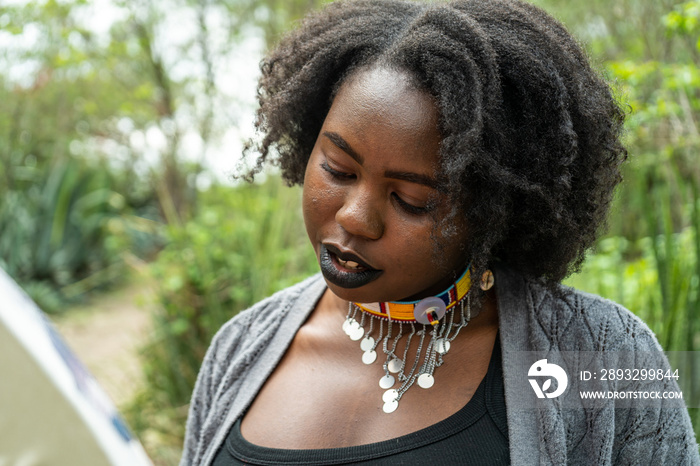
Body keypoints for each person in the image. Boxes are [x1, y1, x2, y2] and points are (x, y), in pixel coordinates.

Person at [181, 0, 699, 464]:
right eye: (338, 169)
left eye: (413, 201)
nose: (356, 218)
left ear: (496, 208)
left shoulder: (606, 355)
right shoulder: (238, 348)